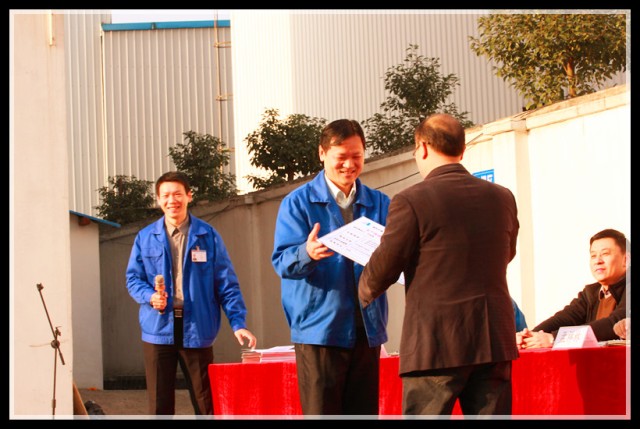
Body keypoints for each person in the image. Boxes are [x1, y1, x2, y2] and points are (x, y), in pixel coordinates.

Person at [358, 113, 520, 416]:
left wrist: (363, 289)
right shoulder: (502, 197)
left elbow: (385, 266)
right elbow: (507, 253)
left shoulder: (411, 200)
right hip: (492, 338)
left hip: (435, 342)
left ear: (422, 147)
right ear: (462, 149)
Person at [271, 119, 391, 415]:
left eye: (357, 156)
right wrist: (307, 252)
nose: (349, 165)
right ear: (322, 154)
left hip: (367, 328)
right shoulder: (297, 203)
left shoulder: (380, 203)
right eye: (341, 157)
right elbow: (282, 262)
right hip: (320, 330)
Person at [126, 171, 257, 415]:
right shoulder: (145, 237)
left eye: (177, 194)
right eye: (165, 195)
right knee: (159, 405)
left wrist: (238, 323)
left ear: (189, 196)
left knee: (205, 402)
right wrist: (150, 296)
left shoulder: (207, 236)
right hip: (158, 328)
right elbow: (133, 279)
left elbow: (226, 283)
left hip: (197, 327)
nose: (171, 200)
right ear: (158, 200)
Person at [518, 228, 630, 349]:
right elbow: (564, 318)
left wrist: (555, 338)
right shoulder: (591, 293)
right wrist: (530, 336)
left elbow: (614, 322)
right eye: (593, 256)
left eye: (605, 254)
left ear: (626, 259)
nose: (598, 261)